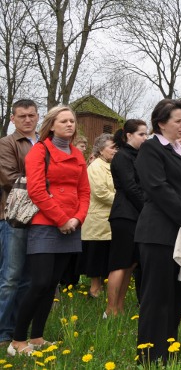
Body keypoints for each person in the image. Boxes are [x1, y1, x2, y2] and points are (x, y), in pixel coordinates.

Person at [8, 105, 89, 357]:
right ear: (51, 124)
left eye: (72, 121)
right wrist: (62, 218)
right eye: (63, 121)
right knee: (39, 282)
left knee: (52, 283)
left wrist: (76, 218)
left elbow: (85, 191)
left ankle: (37, 337)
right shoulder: (39, 151)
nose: (69, 125)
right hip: (45, 223)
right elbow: (36, 191)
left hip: (71, 226)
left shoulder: (77, 153)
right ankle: (17, 341)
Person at [134, 100, 181, 365]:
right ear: (161, 123)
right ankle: (150, 354)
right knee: (157, 294)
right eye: (177, 120)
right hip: (159, 232)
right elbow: (158, 188)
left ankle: (169, 347)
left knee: (177, 293)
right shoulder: (151, 149)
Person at [0, 99, 38, 344]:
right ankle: (2, 331)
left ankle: (16, 330)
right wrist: (46, 191)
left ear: (38, 116)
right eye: (22, 116)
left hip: (40, 219)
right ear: (12, 118)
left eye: (31, 115)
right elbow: (9, 178)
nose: (27, 119)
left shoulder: (44, 144)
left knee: (28, 279)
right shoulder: (7, 143)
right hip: (13, 217)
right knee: (10, 278)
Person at [106, 119, 148, 318]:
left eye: (146, 134)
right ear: (128, 135)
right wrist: (147, 208)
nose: (145, 138)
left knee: (130, 264)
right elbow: (131, 187)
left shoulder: (139, 155)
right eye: (141, 134)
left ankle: (120, 307)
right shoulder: (122, 156)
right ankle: (110, 308)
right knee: (120, 263)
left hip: (136, 214)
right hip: (124, 214)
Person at [80, 133, 118, 299]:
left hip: (109, 220)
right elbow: (101, 193)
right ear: (101, 150)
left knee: (107, 256)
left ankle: (103, 289)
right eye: (112, 147)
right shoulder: (95, 167)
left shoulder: (111, 165)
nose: (115, 150)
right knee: (96, 256)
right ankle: (94, 290)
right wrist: (122, 200)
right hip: (98, 221)